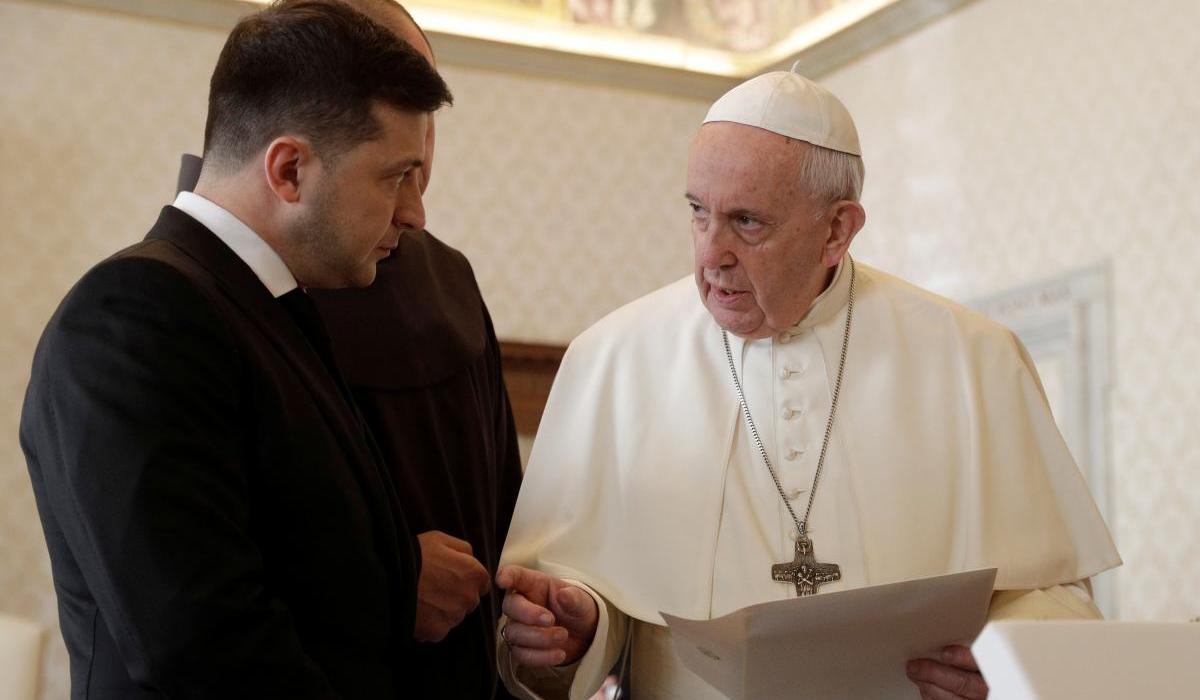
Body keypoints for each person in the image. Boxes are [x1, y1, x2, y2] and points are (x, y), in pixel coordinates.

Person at [494, 67, 1122, 700]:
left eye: (747, 222)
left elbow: (1052, 595)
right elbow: (574, 607)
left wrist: (1002, 662)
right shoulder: (612, 360)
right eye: (698, 213)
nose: (711, 254)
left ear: (836, 230)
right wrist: (577, 629)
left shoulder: (973, 358)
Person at [18, 1, 484, 697]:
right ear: (289, 169)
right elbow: (202, 647)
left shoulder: (271, 309)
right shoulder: (132, 315)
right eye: (396, 176)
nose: (414, 213)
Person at [174, 3, 523, 697]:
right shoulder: (188, 304)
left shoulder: (447, 278)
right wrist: (397, 581)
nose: (413, 208)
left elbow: (505, 499)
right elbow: (199, 599)